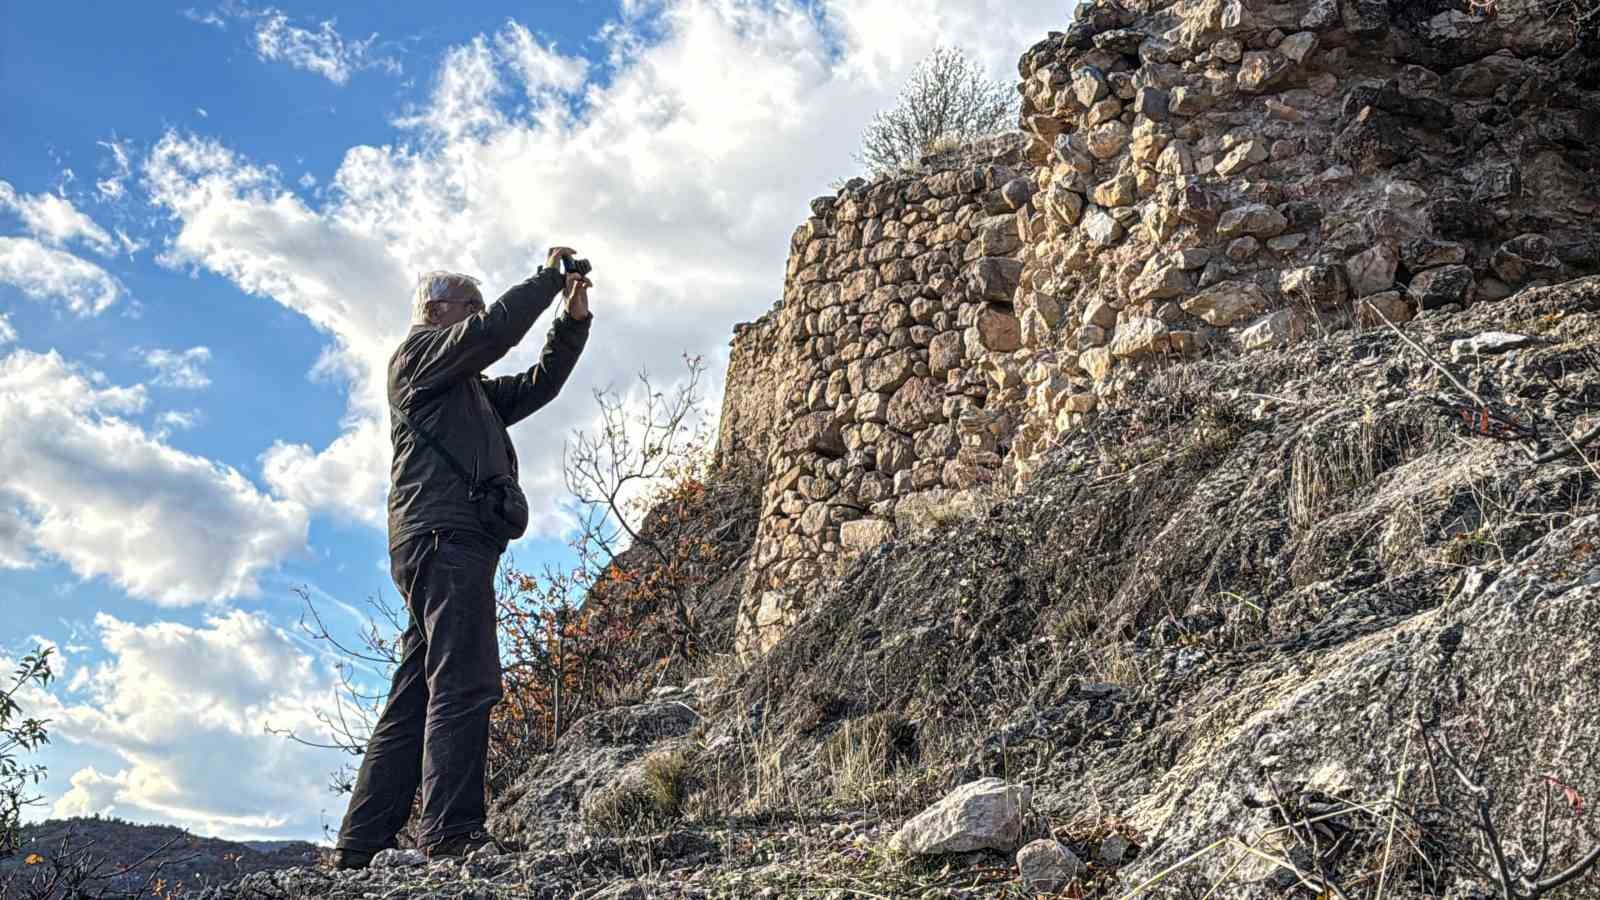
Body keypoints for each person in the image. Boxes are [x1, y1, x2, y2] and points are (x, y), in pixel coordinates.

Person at [330, 247, 592, 869]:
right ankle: (450, 832)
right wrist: (546, 279)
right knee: (465, 677)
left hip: (441, 538)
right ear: (435, 310)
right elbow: (496, 331)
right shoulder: (418, 357)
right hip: (444, 537)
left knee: (416, 691)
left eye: (478, 306)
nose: (477, 316)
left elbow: (538, 385)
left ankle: (361, 842)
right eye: (469, 307)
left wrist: (572, 320)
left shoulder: (462, 389)